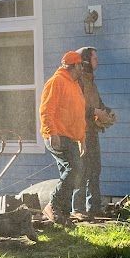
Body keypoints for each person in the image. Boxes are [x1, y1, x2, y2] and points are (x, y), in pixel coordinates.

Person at [38, 50, 87, 225]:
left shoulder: (74, 85)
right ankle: (53, 205)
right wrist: (52, 133)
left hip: (70, 137)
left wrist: (82, 139)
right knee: (75, 169)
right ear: (73, 66)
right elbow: (46, 110)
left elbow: (78, 115)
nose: (83, 68)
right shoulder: (56, 82)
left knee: (72, 173)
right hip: (58, 135)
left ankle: (62, 215)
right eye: (81, 65)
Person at [73, 46, 115, 219]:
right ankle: (78, 209)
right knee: (81, 171)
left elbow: (98, 103)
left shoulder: (91, 81)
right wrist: (95, 112)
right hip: (80, 132)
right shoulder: (79, 82)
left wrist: (107, 111)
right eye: (95, 58)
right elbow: (76, 107)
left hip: (92, 131)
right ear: (85, 61)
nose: (97, 61)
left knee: (95, 169)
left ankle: (94, 208)